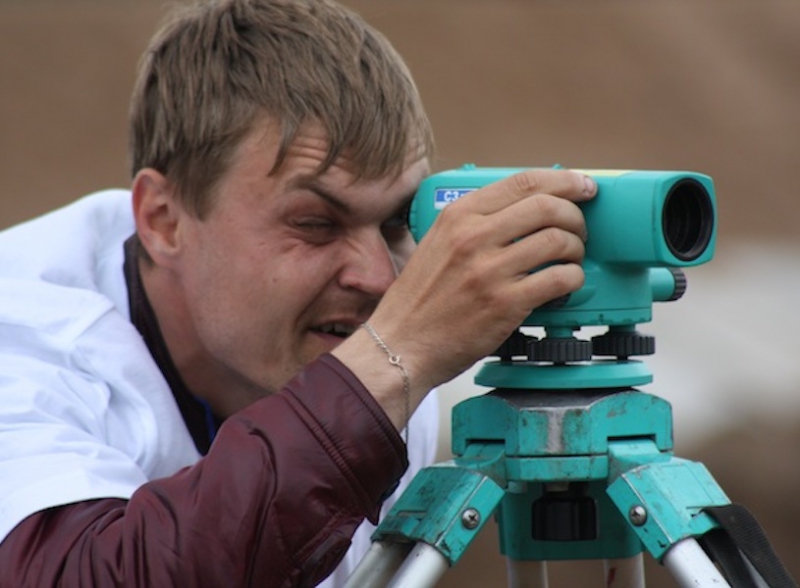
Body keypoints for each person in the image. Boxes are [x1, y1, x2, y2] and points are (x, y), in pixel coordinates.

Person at [0, 0, 595, 586]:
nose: (379, 279)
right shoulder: (19, 340)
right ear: (164, 221)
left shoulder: (377, 366)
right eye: (315, 224)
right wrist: (387, 366)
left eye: (396, 223)